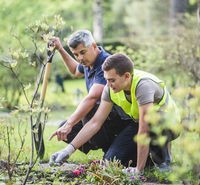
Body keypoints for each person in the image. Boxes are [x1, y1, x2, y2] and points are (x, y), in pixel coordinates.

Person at [49, 53, 180, 174]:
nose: (108, 85)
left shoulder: (143, 86)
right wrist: (68, 151)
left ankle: (162, 159)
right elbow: (95, 122)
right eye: (106, 79)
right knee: (111, 161)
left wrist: (138, 171)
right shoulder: (109, 89)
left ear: (127, 76)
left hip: (167, 123)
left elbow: (144, 130)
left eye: (112, 80)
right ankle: (146, 162)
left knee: (153, 124)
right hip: (138, 123)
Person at [49, 31, 137, 166]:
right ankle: (108, 149)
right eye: (76, 54)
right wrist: (60, 49)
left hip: (118, 119)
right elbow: (74, 71)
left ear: (94, 46)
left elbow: (92, 98)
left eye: (82, 52)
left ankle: (114, 149)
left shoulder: (106, 64)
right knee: (66, 130)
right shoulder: (87, 63)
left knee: (87, 112)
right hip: (102, 119)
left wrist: (70, 123)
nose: (80, 58)